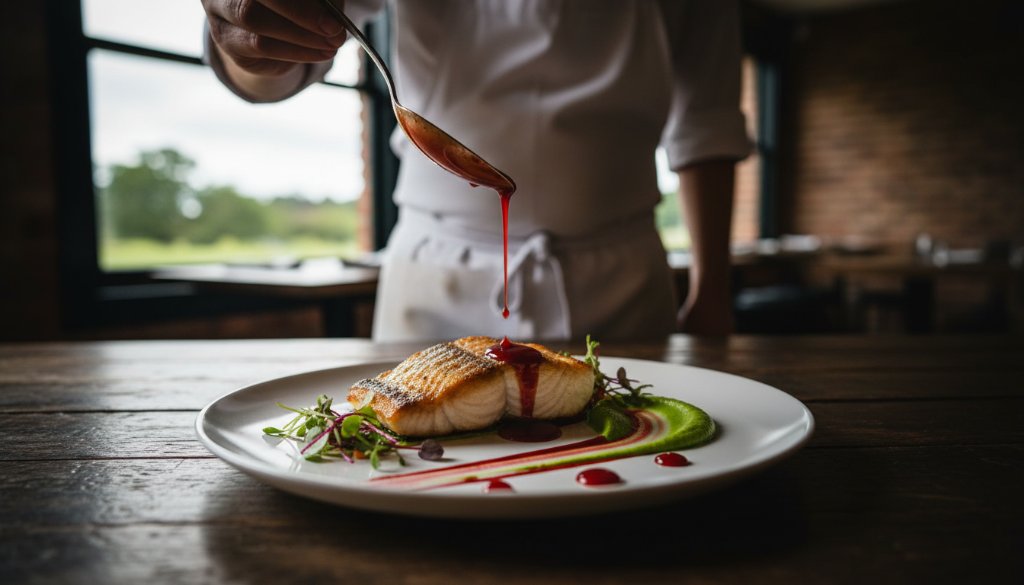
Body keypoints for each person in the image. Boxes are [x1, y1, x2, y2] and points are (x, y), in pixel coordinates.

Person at [200, 0, 750, 341]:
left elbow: (709, 123)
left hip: (623, 287)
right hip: (434, 283)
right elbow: (280, 66)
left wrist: (713, 294)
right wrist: (250, 48)